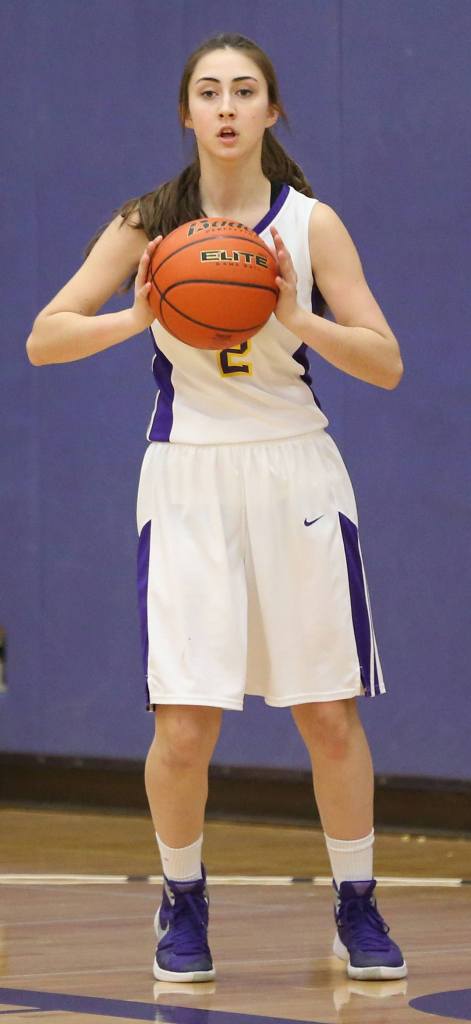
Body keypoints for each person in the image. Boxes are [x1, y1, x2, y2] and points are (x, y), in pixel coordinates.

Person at [27, 32, 407, 984]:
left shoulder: (310, 225)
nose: (227, 107)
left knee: (326, 713)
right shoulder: (147, 222)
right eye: (209, 92)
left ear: (270, 112)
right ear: (187, 113)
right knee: (185, 726)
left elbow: (387, 363)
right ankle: (182, 900)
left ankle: (355, 904)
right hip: (189, 472)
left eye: (245, 91)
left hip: (296, 472)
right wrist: (137, 315)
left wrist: (299, 316)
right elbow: (44, 338)